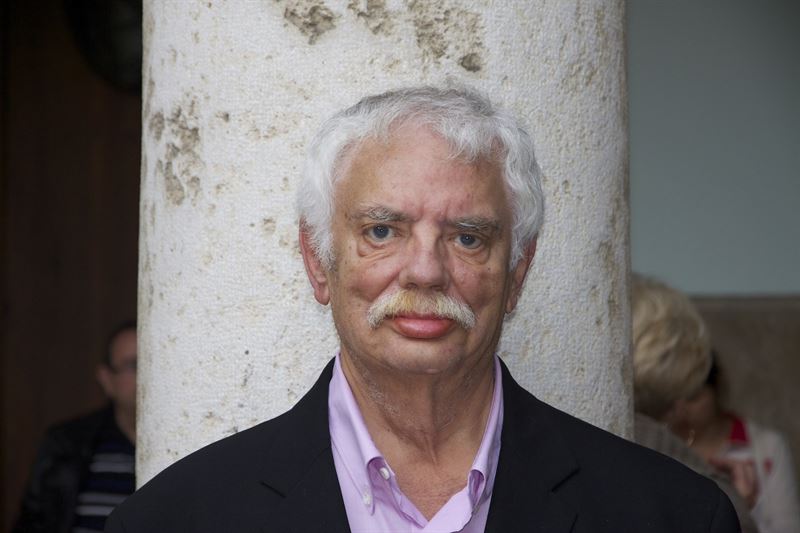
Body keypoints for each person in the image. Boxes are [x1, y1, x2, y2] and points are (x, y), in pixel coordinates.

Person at [106, 87, 739, 532]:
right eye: (382, 231)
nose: (426, 270)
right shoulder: (172, 520)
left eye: (468, 237)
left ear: (517, 273)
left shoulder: (673, 516)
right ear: (318, 261)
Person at [631, 275, 800, 533]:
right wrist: (732, 505)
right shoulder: (654, 439)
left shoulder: (765, 445)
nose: (682, 408)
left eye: (692, 395)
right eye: (676, 399)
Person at [14, 321, 137, 533]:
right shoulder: (67, 443)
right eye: (133, 365)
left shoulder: (183, 444)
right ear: (106, 379)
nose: (145, 375)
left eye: (154, 363)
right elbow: (33, 523)